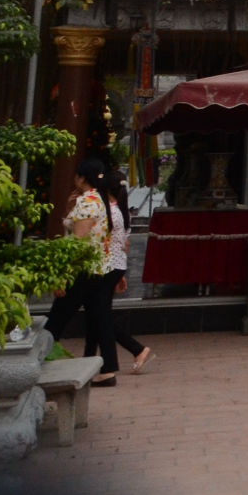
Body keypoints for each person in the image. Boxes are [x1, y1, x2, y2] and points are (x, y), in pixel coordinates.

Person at [44, 154, 150, 382]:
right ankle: (108, 368)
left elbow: (78, 241)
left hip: (82, 269)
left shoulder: (89, 202)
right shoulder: (102, 201)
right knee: (100, 317)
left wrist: (62, 274)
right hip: (99, 267)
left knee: (57, 320)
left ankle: (38, 362)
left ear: (81, 178)